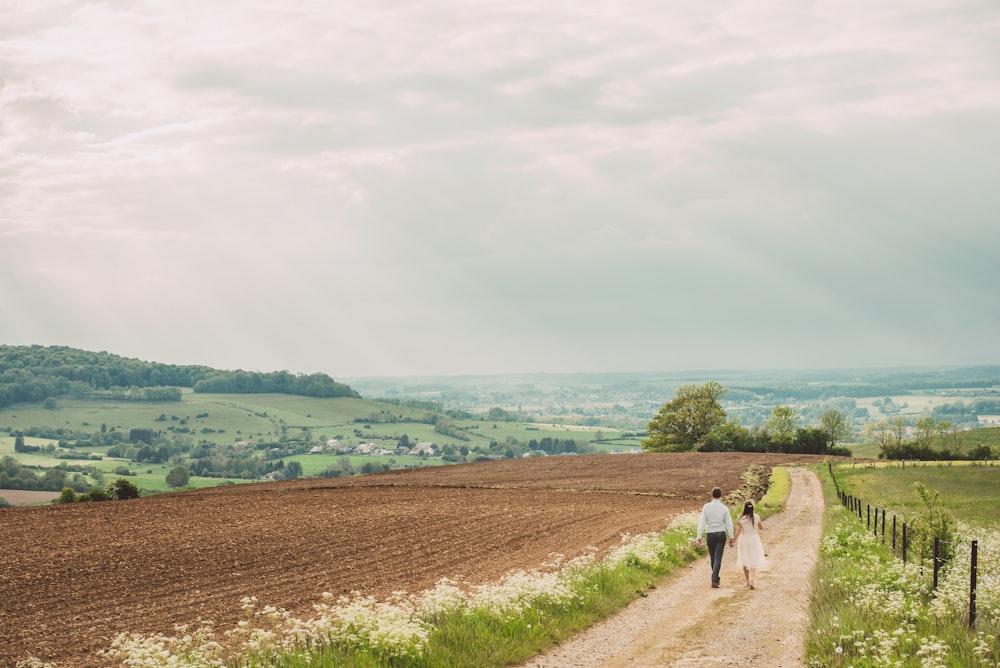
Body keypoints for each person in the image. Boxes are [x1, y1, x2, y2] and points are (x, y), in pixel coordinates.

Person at [696, 486, 734, 588]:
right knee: (718, 558)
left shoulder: (706, 507)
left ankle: (715, 578)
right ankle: (714, 578)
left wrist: (699, 535)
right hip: (720, 533)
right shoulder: (724, 508)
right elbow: (729, 523)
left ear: (712, 495)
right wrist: (731, 537)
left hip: (710, 533)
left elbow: (702, 521)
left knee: (713, 557)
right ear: (721, 495)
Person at [730, 499, 767, 589]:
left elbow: (738, 531)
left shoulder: (741, 518)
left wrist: (733, 541)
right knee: (753, 559)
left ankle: (747, 581)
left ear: (744, 508)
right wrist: (758, 527)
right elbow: (761, 527)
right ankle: (752, 581)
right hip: (754, 539)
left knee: (745, 559)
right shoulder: (756, 517)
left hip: (744, 539)